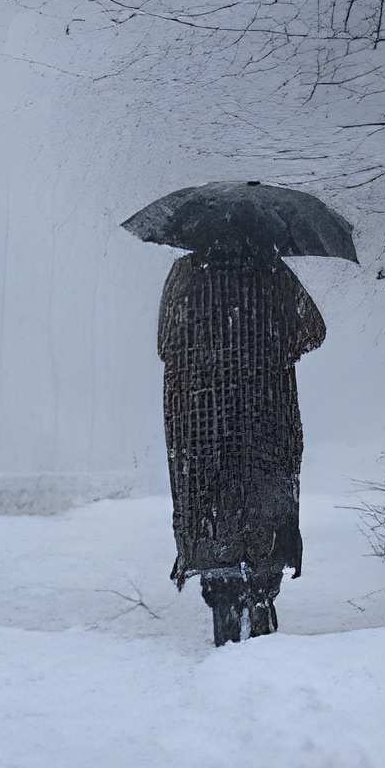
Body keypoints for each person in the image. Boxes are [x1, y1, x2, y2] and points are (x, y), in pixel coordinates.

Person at [157, 244, 326, 645]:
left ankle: (225, 613)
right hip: (264, 412)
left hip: (201, 420)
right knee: (265, 505)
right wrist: (268, 347)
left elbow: (165, 345)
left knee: (209, 507)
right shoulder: (272, 271)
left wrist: (206, 354)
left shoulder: (186, 273)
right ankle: (263, 607)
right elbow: (313, 331)